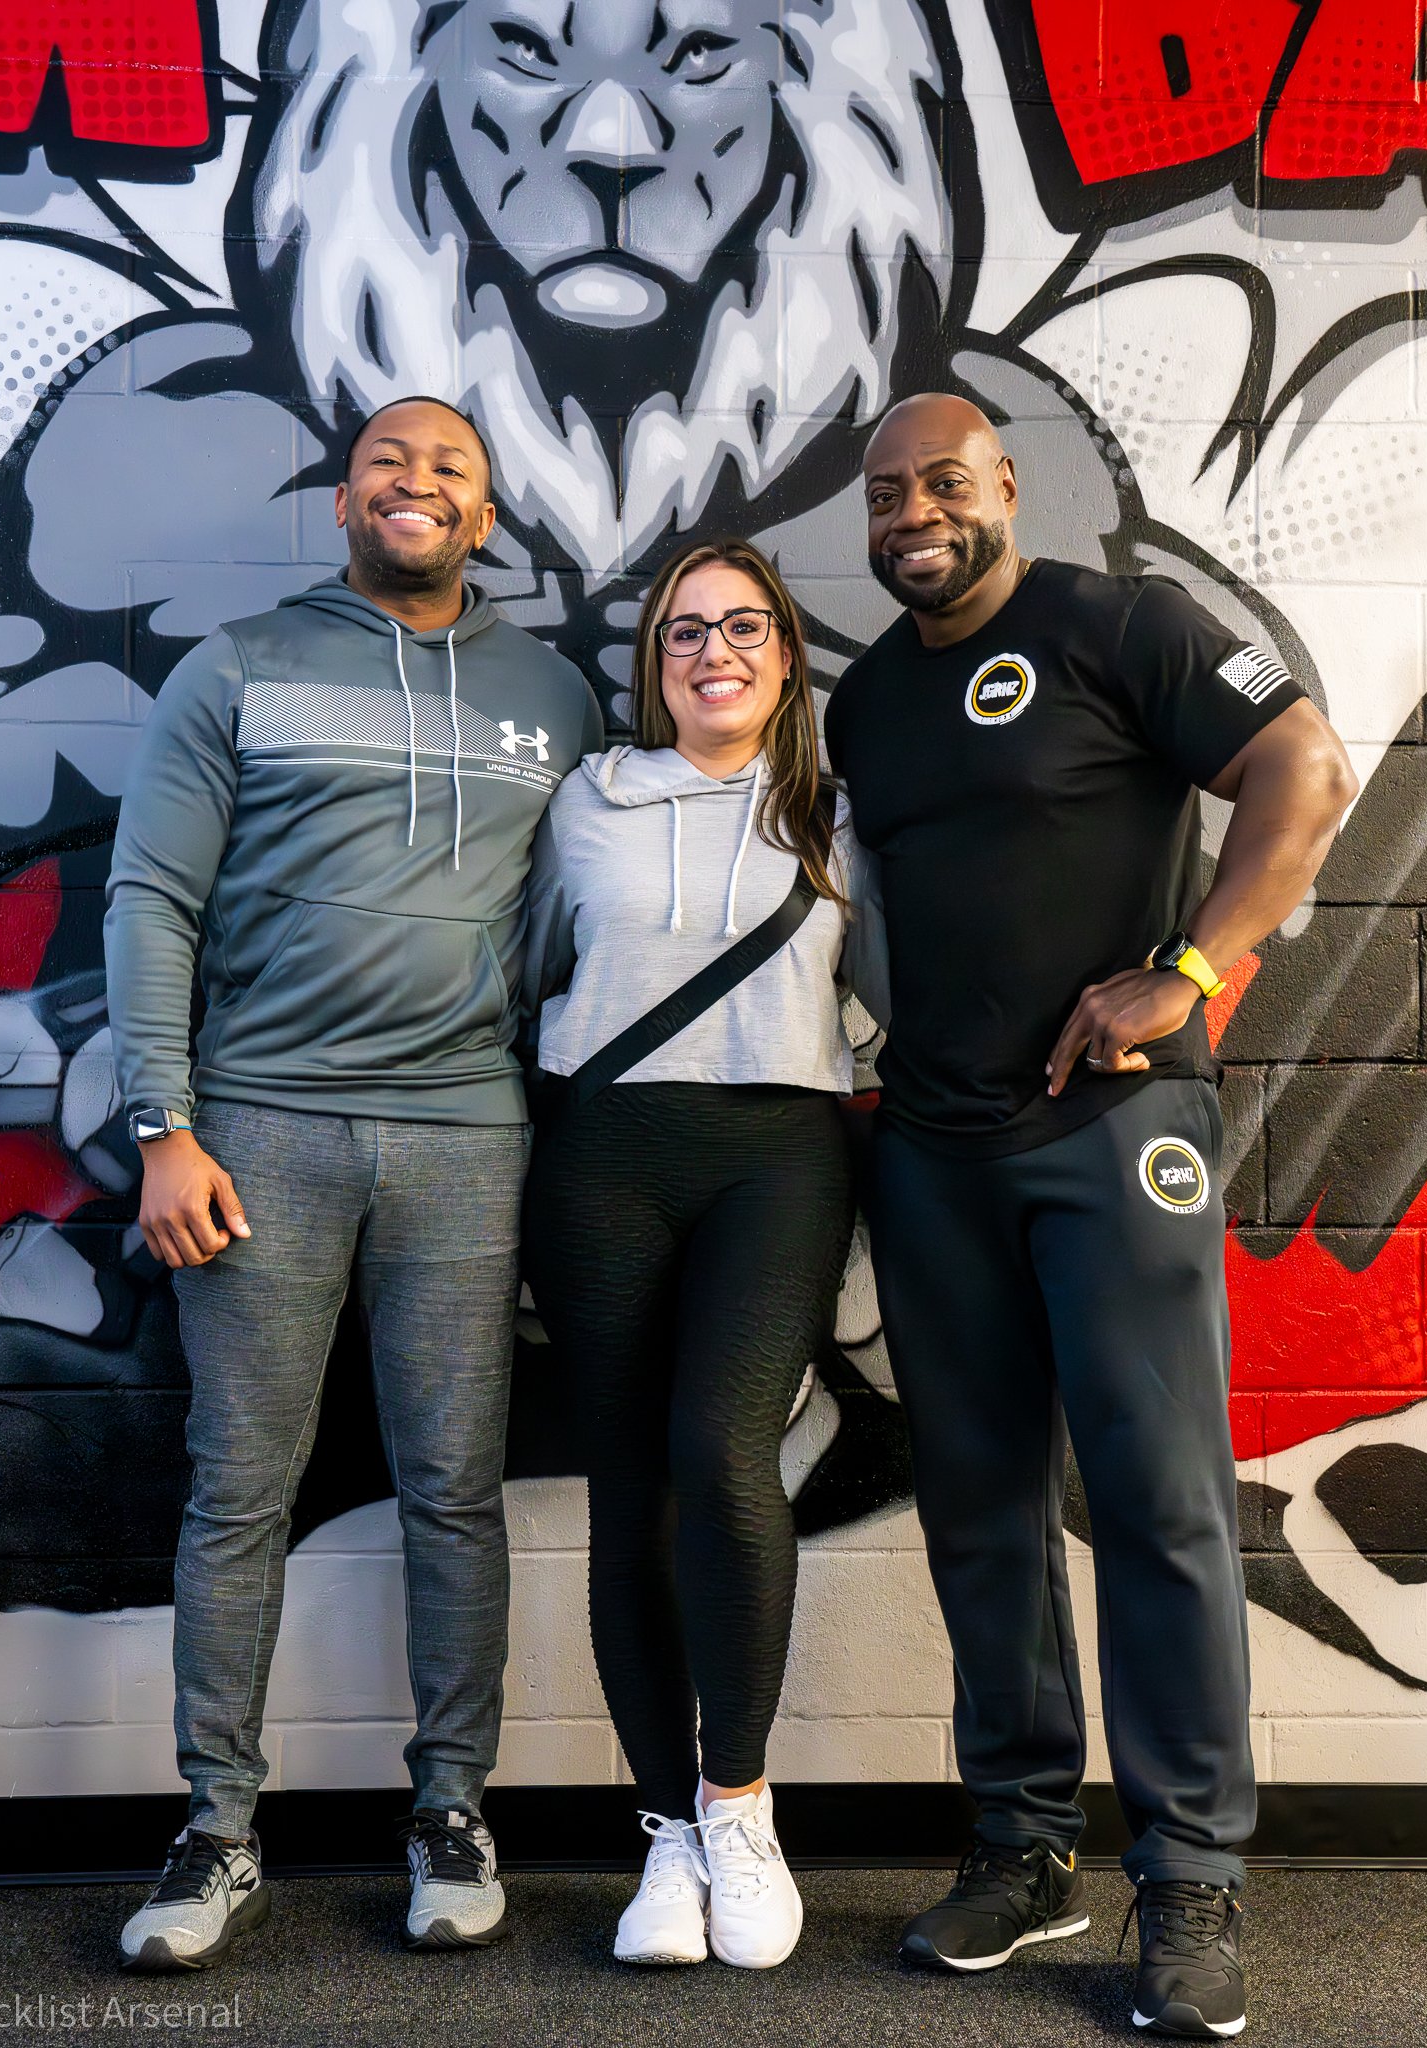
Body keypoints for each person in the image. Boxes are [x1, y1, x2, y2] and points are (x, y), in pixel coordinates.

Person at [824, 395, 1357, 2040]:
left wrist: (1183, 974)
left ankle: (1187, 1872)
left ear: (1003, 489)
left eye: (946, 483)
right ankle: (1023, 1845)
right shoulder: (860, 700)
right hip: (930, 1150)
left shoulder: (1115, 621)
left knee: (1154, 1505)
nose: (917, 511)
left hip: (1113, 1134)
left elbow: (1305, 765)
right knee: (978, 1509)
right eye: (889, 493)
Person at [104, 396, 603, 1969]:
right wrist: (160, 1129)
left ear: (484, 511)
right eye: (389, 460)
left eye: (449, 467)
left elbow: (584, 925)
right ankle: (216, 1830)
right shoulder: (240, 667)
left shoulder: (556, 697)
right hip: (257, 1141)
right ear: (342, 500)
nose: (417, 483)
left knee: (453, 1493)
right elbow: (148, 898)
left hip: (469, 1141)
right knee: (238, 1493)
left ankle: (451, 1807)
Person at [521, 537, 886, 1971]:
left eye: (742, 628)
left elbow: (886, 993)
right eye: (683, 632)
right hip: (603, 1156)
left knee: (727, 1459)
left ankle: (739, 1808)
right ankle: (665, 1833)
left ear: (785, 654)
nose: (712, 652)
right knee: (629, 1491)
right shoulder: (586, 804)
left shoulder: (837, 815)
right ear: (651, 662)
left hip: (776, 1160)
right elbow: (529, 966)